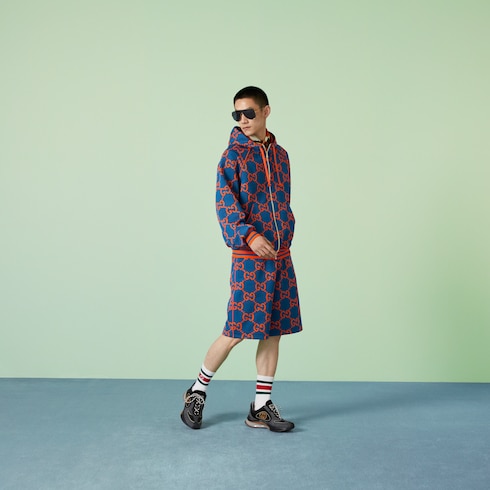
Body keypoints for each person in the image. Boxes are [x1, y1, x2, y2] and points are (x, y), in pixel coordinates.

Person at [180, 86, 302, 432]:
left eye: (249, 113)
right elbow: (225, 204)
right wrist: (250, 235)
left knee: (274, 331)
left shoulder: (281, 156)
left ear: (266, 111)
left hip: (280, 255)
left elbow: (283, 201)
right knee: (236, 330)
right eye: (237, 114)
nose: (243, 120)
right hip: (249, 257)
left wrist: (285, 231)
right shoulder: (232, 157)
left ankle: (260, 407)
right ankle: (196, 391)